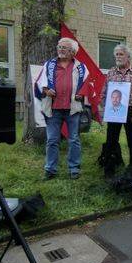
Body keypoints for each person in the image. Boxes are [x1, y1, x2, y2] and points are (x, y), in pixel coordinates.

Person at [38, 37, 88, 180]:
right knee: (52, 140)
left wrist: (81, 93)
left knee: (74, 139)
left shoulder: (80, 67)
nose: (60, 49)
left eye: (64, 47)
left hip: (73, 108)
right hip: (54, 108)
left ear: (72, 51)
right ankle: (50, 170)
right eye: (59, 46)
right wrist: (47, 90)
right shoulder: (49, 64)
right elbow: (41, 81)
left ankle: (74, 169)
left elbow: (86, 83)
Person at [101, 44, 132, 178]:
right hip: (114, 111)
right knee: (111, 141)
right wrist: (106, 110)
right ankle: (109, 171)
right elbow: (104, 93)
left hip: (131, 112)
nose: (118, 57)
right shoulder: (110, 73)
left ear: (128, 57)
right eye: (116, 54)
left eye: (121, 54)